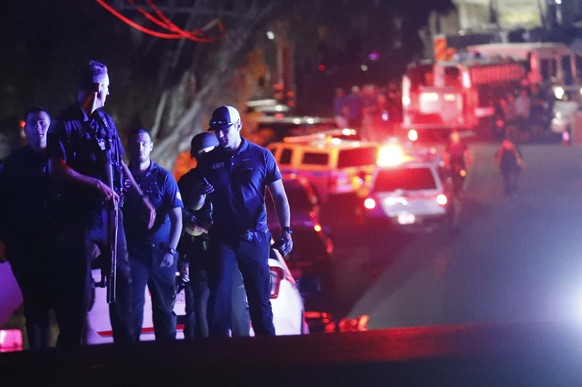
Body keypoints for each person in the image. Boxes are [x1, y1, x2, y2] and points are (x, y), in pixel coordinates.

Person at [47, 60, 155, 346]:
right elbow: (57, 169)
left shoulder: (105, 121)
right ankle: (72, 347)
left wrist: (142, 198)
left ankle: (126, 346)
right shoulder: (63, 124)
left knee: (123, 279)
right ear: (96, 88)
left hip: (111, 214)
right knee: (78, 286)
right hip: (80, 214)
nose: (109, 92)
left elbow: (118, 162)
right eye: (106, 87)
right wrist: (94, 183)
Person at [193, 105, 293, 337]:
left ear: (238, 126)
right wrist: (198, 192)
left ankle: (266, 351)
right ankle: (221, 355)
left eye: (225, 129)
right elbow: (196, 205)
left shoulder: (261, 156)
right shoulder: (209, 160)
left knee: (259, 298)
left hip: (253, 236)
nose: (220, 135)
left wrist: (286, 231)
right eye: (216, 131)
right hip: (222, 236)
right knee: (218, 298)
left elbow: (279, 196)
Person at [177, 132, 251, 338]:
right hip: (200, 255)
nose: (204, 158)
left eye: (208, 153)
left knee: (237, 313)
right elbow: (178, 218)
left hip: (230, 254)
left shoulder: (233, 176)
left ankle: (246, 362)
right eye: (200, 154)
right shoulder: (186, 182)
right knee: (201, 315)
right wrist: (183, 257)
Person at [0, 108, 63, 349]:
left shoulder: (63, 158)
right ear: (27, 129)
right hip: (26, 246)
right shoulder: (14, 164)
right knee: (35, 305)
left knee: (63, 304)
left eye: (44, 123)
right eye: (34, 124)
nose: (39, 128)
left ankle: (68, 360)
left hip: (58, 244)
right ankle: (39, 358)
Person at [124, 128, 183, 341]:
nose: (140, 148)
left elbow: (178, 219)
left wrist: (171, 250)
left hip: (161, 252)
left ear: (151, 146)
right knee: (132, 309)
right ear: (129, 146)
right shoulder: (121, 178)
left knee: (165, 309)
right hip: (134, 252)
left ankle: (167, 358)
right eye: (135, 143)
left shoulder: (163, 178)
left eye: (144, 143)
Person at [443, 130, 472, 196]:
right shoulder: (449, 144)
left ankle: (460, 186)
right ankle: (456, 189)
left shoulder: (462, 143)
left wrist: (469, 160)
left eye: (456, 136)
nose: (455, 137)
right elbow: (446, 154)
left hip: (460, 161)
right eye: (454, 136)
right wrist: (446, 162)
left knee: (463, 174)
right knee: (454, 175)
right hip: (453, 161)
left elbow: (467, 152)